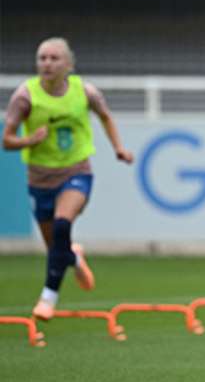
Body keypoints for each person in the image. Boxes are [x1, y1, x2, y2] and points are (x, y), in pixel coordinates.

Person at [2, 37, 134, 321]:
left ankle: (48, 299)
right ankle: (73, 257)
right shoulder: (25, 96)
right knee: (55, 249)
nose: (47, 64)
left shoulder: (85, 92)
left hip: (76, 172)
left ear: (69, 65)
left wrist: (119, 148)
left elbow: (105, 116)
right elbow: (7, 140)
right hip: (39, 179)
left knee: (63, 224)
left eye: (53, 58)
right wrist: (29, 140)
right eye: (42, 58)